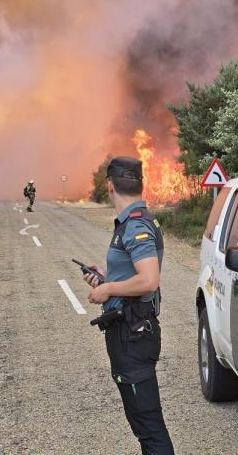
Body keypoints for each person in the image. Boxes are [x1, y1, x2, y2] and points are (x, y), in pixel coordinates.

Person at [84, 156, 175, 455]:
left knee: (149, 428)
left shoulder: (135, 226)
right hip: (130, 330)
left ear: (110, 186)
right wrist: (107, 277)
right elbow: (136, 275)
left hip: (133, 334)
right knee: (143, 424)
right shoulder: (134, 222)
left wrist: (109, 288)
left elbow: (148, 279)